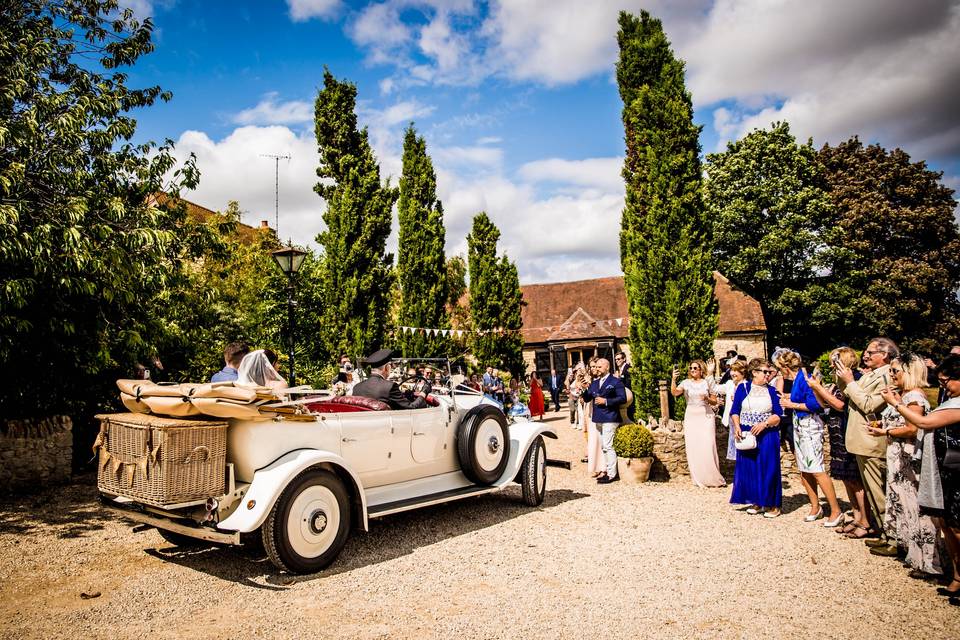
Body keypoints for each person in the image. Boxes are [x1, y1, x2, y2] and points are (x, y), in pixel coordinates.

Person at [883, 354, 960, 601]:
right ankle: (957, 576)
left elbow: (923, 423)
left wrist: (895, 403)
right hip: (945, 466)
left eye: (947, 380)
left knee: (956, 525)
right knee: (946, 522)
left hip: (956, 468)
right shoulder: (951, 400)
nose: (944, 385)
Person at [865, 353, 941, 575]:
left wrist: (885, 430)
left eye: (895, 371)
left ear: (909, 372)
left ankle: (925, 561)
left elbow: (913, 428)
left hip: (908, 456)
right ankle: (904, 545)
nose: (891, 374)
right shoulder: (904, 395)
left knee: (913, 504)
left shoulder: (914, 397)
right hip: (897, 454)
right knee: (900, 501)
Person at [837, 337, 898, 551]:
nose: (866, 355)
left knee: (880, 492)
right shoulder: (871, 374)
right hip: (860, 441)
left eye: (871, 352)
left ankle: (893, 539)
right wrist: (842, 377)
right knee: (872, 493)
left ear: (885, 355)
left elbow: (868, 404)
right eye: (866, 351)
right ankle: (882, 531)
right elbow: (848, 395)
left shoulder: (888, 376)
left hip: (872, 440)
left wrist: (851, 381)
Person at [807, 347, 870, 538]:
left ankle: (865, 520)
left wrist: (819, 389)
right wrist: (817, 388)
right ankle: (856, 516)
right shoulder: (837, 382)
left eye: (834, 361)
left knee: (855, 479)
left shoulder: (855, 379)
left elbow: (840, 405)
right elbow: (825, 404)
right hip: (837, 434)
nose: (830, 365)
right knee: (845, 478)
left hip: (848, 431)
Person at [776, 349, 843, 526]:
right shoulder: (796, 380)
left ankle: (836, 510)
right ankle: (815, 506)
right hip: (799, 425)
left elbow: (816, 405)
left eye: (779, 368)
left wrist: (791, 403)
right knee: (804, 469)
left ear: (785, 366)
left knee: (817, 468)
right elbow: (802, 398)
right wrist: (789, 397)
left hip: (811, 427)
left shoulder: (805, 378)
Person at [730, 358, 784, 516]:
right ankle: (757, 501)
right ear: (754, 373)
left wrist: (764, 424)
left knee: (769, 468)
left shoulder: (772, 391)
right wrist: (737, 427)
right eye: (765, 372)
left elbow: (778, 414)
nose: (768, 375)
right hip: (746, 434)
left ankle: (773, 504)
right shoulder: (742, 388)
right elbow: (735, 410)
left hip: (767, 434)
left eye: (769, 372)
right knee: (750, 468)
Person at [672, 359, 725, 487]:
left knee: (708, 445)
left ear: (701, 370)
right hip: (691, 416)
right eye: (691, 368)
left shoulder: (706, 382)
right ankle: (698, 477)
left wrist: (707, 398)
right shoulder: (685, 383)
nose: (693, 370)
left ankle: (713, 477)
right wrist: (673, 379)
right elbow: (675, 392)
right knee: (694, 446)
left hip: (706, 416)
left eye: (695, 368)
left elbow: (714, 401)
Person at [581, 358, 627, 484]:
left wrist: (606, 401)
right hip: (598, 419)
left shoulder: (615, 381)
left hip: (610, 418)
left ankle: (612, 474)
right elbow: (586, 399)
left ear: (607, 367)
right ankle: (607, 470)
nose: (597, 369)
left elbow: (622, 398)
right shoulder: (595, 383)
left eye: (600, 367)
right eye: (596, 367)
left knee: (608, 446)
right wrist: (584, 389)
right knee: (603, 446)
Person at [352, 349, 427, 410]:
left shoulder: (357, 387)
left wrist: (405, 396)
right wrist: (423, 393)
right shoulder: (389, 387)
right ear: (387, 367)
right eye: (390, 366)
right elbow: (411, 407)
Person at [720, 360, 748, 461]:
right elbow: (715, 388)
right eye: (732, 370)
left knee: (744, 447)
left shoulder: (747, 385)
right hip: (732, 419)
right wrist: (710, 374)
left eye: (736, 371)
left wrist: (738, 399)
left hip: (742, 419)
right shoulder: (729, 384)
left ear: (743, 372)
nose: (733, 373)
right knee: (735, 450)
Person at [614, 351, 635, 422]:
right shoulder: (620, 370)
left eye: (619, 359)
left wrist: (617, 380)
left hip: (629, 397)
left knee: (630, 417)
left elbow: (628, 385)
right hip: (623, 397)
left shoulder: (628, 369)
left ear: (624, 359)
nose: (617, 361)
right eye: (616, 359)